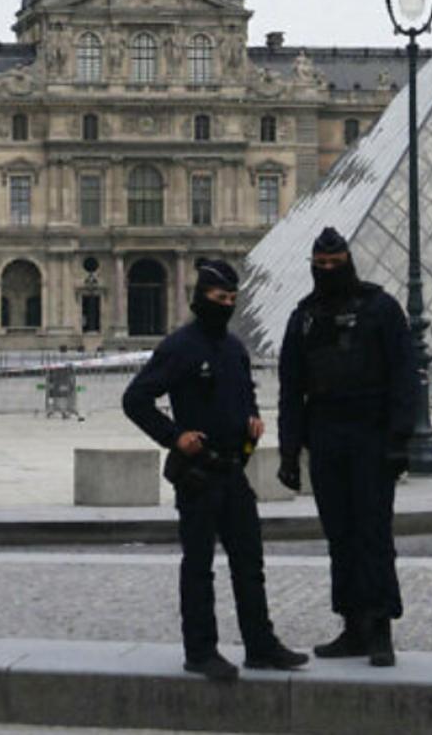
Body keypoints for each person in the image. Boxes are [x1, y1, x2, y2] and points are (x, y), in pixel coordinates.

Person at [122, 259, 308, 682]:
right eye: (218, 298)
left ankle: (260, 645)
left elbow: (245, 395)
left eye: (231, 299)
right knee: (199, 565)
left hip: (232, 469)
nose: (225, 305)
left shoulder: (235, 347)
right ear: (200, 297)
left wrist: (253, 420)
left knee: (250, 562)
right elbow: (135, 399)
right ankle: (200, 650)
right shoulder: (179, 346)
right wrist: (173, 436)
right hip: (198, 472)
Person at [276, 227, 417, 668]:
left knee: (373, 532)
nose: (328, 272)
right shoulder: (304, 317)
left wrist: (399, 440)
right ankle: (352, 624)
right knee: (340, 535)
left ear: (349, 262)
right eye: (321, 266)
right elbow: (290, 389)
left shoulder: (381, 308)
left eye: (335, 265)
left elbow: (404, 378)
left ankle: (380, 627)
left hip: (371, 433)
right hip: (327, 433)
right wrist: (288, 452)